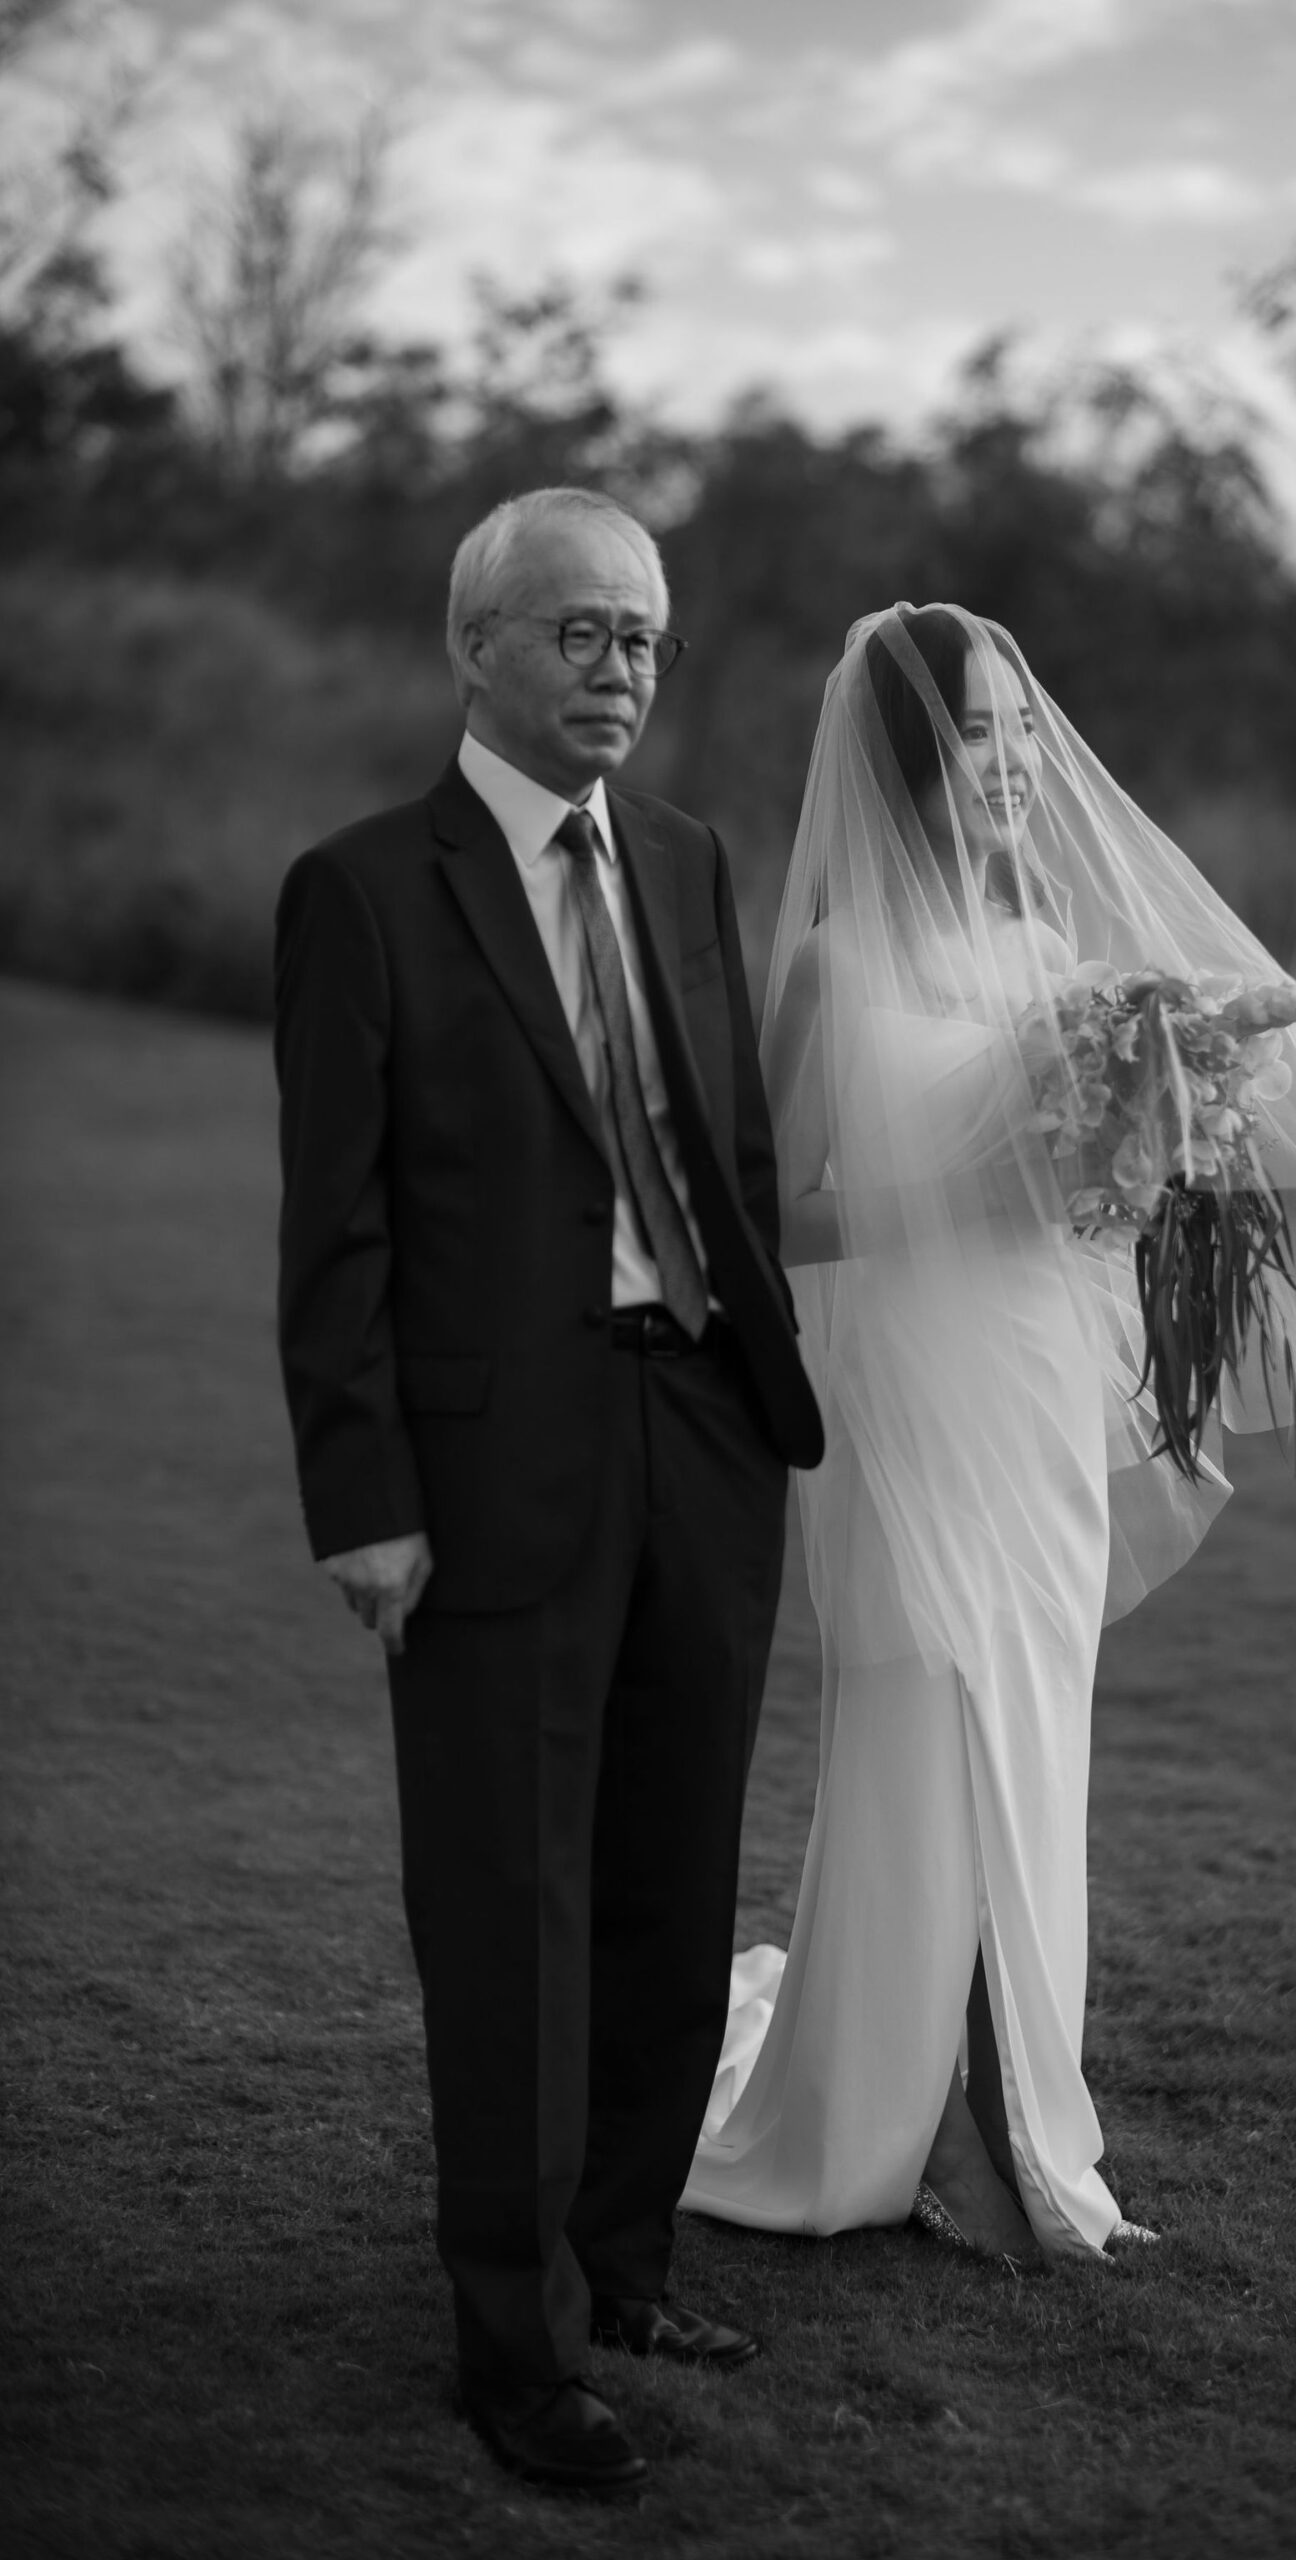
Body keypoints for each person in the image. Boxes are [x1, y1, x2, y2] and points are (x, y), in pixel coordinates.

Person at [682, 604, 1296, 2260]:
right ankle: (893, 2113)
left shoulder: (1054, 959)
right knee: (923, 1700)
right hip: (909, 1387)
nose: (1015, 767)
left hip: (1033, 1375)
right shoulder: (835, 965)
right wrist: (958, 1196)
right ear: (908, 763)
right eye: (979, 736)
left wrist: (1141, 1152)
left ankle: (1015, 2108)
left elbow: (1092, 1193)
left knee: (1030, 1718)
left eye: (1024, 733)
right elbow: (770, 1215)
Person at [272, 486, 823, 2498]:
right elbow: (333, 1229)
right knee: (512, 1904)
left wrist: (761, 1393)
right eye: (581, 631)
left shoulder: (684, 856)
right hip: (496, 1464)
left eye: (644, 638)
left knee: (673, 1883)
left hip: (702, 1437)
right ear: (475, 645)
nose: (620, 669)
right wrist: (364, 1495)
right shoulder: (362, 891)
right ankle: (515, 2350)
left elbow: (728, 1157)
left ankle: (628, 2261)